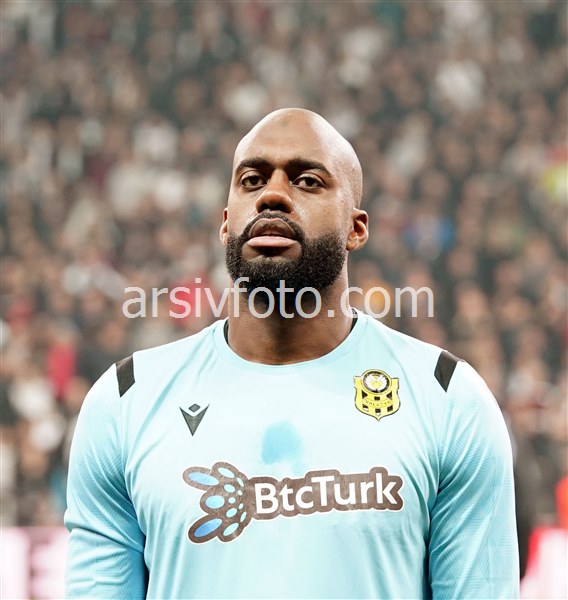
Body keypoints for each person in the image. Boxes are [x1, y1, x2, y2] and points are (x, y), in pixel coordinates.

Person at [65, 108, 519, 599]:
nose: (272, 195)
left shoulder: (447, 398)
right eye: (252, 180)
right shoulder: (126, 401)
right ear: (225, 224)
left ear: (356, 228)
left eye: (307, 181)